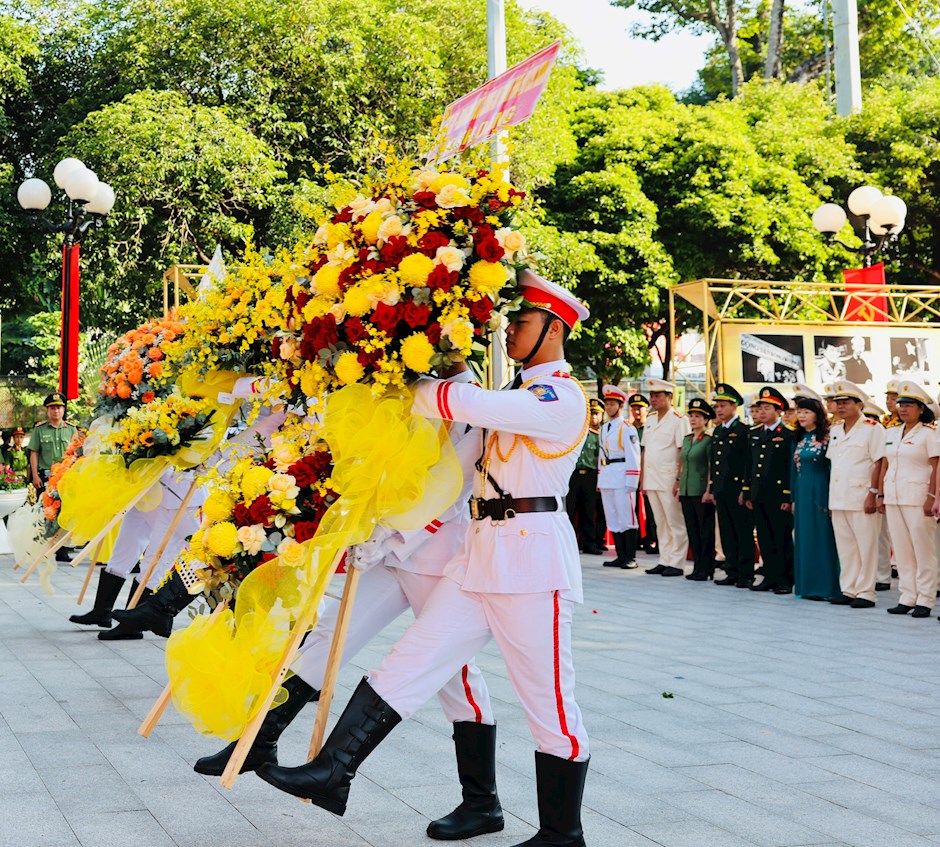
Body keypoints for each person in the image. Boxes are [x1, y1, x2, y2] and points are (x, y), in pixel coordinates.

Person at [256, 271, 593, 847]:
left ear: (555, 330)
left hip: (532, 567)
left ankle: (562, 835)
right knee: (407, 665)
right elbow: (464, 406)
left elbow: (460, 399)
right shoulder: (513, 395)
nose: (511, 330)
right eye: (512, 321)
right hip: (479, 559)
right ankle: (334, 771)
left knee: (549, 705)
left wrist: (394, 369)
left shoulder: (560, 397)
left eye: (524, 322)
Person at [197, 367, 506, 843]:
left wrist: (390, 534)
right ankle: (258, 739)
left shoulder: (471, 403)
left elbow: (451, 487)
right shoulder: (406, 388)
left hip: (433, 554)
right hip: (386, 548)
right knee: (327, 638)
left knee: (454, 676)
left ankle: (482, 801)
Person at [879, 380, 939, 619]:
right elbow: (886, 464)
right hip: (894, 496)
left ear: (921, 409)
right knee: (902, 549)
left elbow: (935, 467)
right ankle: (907, 596)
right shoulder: (891, 432)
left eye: (909, 405)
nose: (903, 409)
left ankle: (925, 598)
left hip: (918, 497)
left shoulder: (929, 434)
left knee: (923, 550)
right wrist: (881, 494)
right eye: (901, 404)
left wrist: (932, 496)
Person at [824, 381, 886, 609]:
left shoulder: (872, 428)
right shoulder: (835, 430)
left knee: (866, 546)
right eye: (838, 403)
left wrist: (874, 493)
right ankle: (848, 588)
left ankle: (866, 592)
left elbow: (880, 462)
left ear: (859, 404)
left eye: (846, 402)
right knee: (846, 547)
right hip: (839, 496)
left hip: (862, 495)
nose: (841, 406)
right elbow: (835, 465)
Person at [744, 386, 794, 594]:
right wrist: (747, 491)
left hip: (778, 494)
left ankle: (785, 579)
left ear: (779, 411)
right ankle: (769, 576)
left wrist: (787, 495)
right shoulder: (754, 434)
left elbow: (789, 467)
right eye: (760, 408)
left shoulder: (788, 435)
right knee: (764, 537)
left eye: (767, 408)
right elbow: (749, 464)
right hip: (759, 493)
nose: (762, 412)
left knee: (781, 537)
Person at [790, 393, 840, 601]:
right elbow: (793, 470)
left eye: (806, 412)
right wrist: (793, 498)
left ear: (817, 414)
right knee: (805, 536)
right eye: (799, 412)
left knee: (822, 535)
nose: (801, 416)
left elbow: (833, 467)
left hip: (821, 489)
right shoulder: (799, 438)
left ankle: (826, 586)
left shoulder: (827, 436)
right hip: (802, 491)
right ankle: (807, 586)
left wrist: (832, 495)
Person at [640, 378, 690, 577]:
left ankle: (677, 562)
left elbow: (682, 450)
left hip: (669, 477)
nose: (653, 399)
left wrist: (679, 479)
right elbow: (646, 450)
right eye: (652, 395)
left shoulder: (679, 419)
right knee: (660, 521)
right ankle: (665, 559)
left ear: (669, 396)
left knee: (674, 521)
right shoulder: (651, 419)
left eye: (658, 395)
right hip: (652, 477)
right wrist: (642, 479)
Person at [706, 384, 755, 588]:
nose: (719, 410)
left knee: (742, 531)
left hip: (736, 490)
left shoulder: (743, 431)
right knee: (726, 531)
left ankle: (745, 573)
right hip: (722, 489)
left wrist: (745, 489)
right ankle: (731, 569)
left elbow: (747, 462)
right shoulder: (718, 431)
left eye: (723, 405)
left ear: (734, 406)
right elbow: (715, 462)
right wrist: (712, 488)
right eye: (717, 406)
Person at [596, 385, 641, 569]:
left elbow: (633, 455)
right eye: (607, 404)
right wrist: (600, 478)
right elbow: (602, 455)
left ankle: (630, 557)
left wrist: (632, 480)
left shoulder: (627, 428)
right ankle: (620, 556)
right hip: (608, 476)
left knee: (626, 518)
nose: (609, 407)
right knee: (613, 517)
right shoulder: (604, 428)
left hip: (622, 475)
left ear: (621, 406)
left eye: (612, 404)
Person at [678, 398, 715, 581]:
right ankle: (697, 566)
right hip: (686, 490)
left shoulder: (708, 440)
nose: (693, 419)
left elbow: (710, 466)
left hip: (701, 491)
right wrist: (678, 484)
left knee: (705, 531)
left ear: (706, 419)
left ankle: (707, 568)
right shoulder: (687, 439)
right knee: (692, 530)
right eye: (691, 416)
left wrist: (709, 490)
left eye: (698, 416)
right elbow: (682, 463)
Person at [567, 399, 605, 555]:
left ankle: (589, 542)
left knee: (588, 511)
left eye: (596, 414)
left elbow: (598, 458)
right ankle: (571, 542)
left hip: (590, 475)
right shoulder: (573, 434)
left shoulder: (596, 436)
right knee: (570, 510)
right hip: (573, 475)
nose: (592, 417)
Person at [28, 392, 78, 492]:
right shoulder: (39, 430)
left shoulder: (72, 429)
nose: (56, 411)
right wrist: (35, 476)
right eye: (52, 408)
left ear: (63, 409)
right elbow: (34, 453)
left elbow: (77, 453)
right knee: (44, 501)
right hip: (46, 475)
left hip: (67, 475)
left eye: (59, 408)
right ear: (47, 410)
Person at [628, 393, 657, 555]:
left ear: (647, 410)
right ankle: (637, 537)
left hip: (648, 471)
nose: (637, 411)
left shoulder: (651, 428)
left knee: (650, 507)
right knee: (632, 507)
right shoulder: (628, 428)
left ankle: (652, 538)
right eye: (634, 408)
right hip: (631, 472)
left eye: (640, 408)